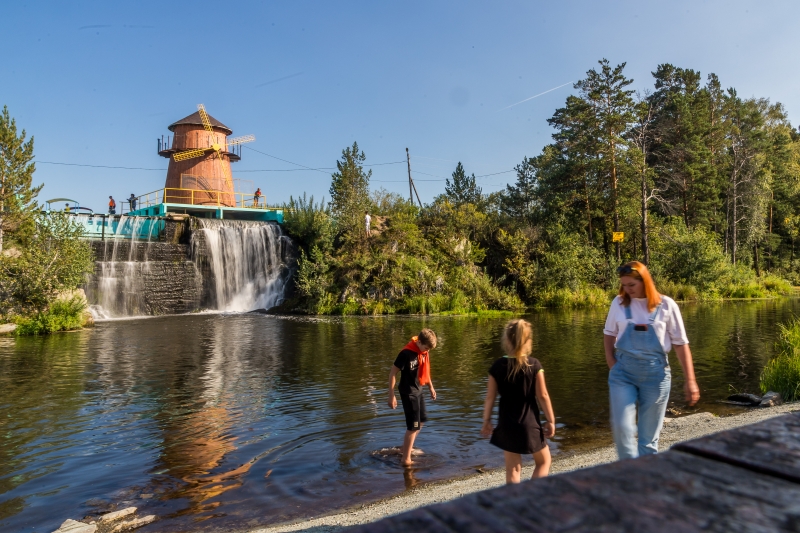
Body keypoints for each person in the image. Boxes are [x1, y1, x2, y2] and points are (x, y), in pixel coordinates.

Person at [604, 261, 700, 460]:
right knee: (622, 428)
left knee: (648, 440)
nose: (627, 289)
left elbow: (681, 344)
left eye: (632, 285)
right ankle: (630, 469)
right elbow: (609, 333)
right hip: (623, 374)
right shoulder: (619, 303)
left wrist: (690, 380)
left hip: (656, 376)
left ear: (645, 281)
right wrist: (611, 362)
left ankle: (643, 474)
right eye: (624, 285)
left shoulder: (666, 305)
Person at [481, 319, 556, 484]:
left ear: (507, 340)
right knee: (544, 461)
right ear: (528, 341)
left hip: (507, 424)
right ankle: (532, 493)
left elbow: (490, 397)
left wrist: (486, 421)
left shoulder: (497, 366)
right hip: (529, 424)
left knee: (513, 470)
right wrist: (551, 420)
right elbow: (543, 395)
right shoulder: (534, 365)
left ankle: (515, 498)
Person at [388, 329, 437, 467]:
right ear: (419, 342)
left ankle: (405, 448)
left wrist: (431, 387)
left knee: (422, 420)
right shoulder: (406, 353)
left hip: (418, 389)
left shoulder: (423, 351)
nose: (427, 351)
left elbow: (426, 371)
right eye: (426, 348)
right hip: (408, 392)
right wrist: (391, 395)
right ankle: (406, 459)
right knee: (413, 426)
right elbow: (392, 373)